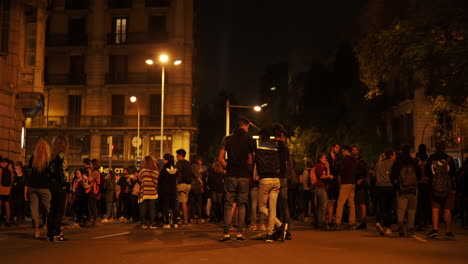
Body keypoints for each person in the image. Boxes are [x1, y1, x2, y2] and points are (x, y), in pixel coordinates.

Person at [218, 118, 255, 242]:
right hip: (243, 175)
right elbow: (250, 159)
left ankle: (226, 234)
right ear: (244, 126)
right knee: (242, 204)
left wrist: (227, 167)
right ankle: (239, 233)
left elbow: (220, 158)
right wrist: (246, 167)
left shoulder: (227, 139)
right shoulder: (249, 139)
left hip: (231, 175)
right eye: (248, 127)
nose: (248, 129)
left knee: (228, 204)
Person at [255, 127, 285, 242]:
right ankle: (269, 234)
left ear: (261, 136)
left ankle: (280, 225)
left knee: (262, 207)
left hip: (265, 179)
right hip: (276, 179)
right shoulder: (276, 145)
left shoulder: (258, 145)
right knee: (273, 208)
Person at [426, 141, 457, 238]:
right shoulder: (449, 159)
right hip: (448, 188)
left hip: (435, 187)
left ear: (435, 147)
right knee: (447, 209)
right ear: (444, 148)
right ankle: (448, 231)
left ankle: (435, 229)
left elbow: (428, 173)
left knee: (435, 209)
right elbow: (453, 173)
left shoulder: (431, 159)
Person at [391, 145, 420, 237]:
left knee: (401, 210)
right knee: (412, 210)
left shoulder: (398, 162)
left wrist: (396, 186)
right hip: (413, 190)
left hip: (402, 190)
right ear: (410, 151)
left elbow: (393, 176)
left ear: (402, 151)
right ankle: (410, 228)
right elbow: (418, 176)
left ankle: (401, 227)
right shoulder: (414, 162)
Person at [26, 138, 52, 238]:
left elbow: (29, 172)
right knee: (49, 208)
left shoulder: (33, 158)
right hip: (44, 186)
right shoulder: (48, 159)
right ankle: (50, 227)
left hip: (32, 186)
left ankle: (36, 230)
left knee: (34, 209)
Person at [47, 135, 70, 242]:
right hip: (60, 185)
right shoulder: (62, 156)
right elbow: (64, 171)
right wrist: (66, 184)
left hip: (52, 184)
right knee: (59, 210)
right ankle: (57, 233)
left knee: (53, 209)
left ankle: (50, 233)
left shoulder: (51, 156)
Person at [272, 123, 292, 238]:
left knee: (273, 204)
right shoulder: (285, 147)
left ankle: (277, 227)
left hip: (274, 176)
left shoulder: (272, 146)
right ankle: (286, 230)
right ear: (282, 134)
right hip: (283, 177)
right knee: (284, 204)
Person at [334, 145, 357, 228]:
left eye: (343, 151)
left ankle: (337, 221)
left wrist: (340, 183)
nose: (342, 153)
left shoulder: (344, 160)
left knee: (340, 203)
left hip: (345, 183)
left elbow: (340, 171)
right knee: (351, 204)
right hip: (352, 183)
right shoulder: (354, 160)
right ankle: (352, 221)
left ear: (345, 151)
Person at [374, 150, 396, 236]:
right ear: (390, 155)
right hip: (389, 187)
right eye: (394, 155)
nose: (395, 156)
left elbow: (374, 175)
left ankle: (378, 221)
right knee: (388, 208)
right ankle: (388, 227)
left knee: (380, 205)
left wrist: (380, 159)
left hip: (379, 187)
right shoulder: (392, 164)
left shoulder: (378, 164)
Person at [311, 153, 335, 229]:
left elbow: (326, 176)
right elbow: (321, 176)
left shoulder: (323, 167)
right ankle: (320, 223)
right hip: (319, 187)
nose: (326, 159)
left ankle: (319, 222)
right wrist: (329, 176)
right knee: (322, 205)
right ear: (320, 159)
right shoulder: (319, 166)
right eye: (324, 158)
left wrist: (328, 168)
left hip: (322, 187)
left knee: (321, 205)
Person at [137, 156, 159, 229]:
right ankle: (152, 223)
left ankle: (143, 223)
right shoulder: (155, 171)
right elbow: (156, 182)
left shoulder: (143, 171)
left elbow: (139, 180)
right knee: (152, 209)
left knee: (143, 209)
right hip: (153, 192)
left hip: (144, 192)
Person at [159, 153, 178, 228]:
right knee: (174, 206)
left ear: (166, 160)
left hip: (165, 190)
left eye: (164, 159)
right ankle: (175, 222)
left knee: (166, 206)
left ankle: (167, 223)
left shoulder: (164, 168)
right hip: (173, 189)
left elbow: (160, 179)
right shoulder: (175, 168)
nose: (163, 160)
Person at [352, 145, 369, 229]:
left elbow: (365, 170)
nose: (355, 151)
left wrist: (361, 179)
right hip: (353, 183)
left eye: (356, 150)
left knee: (362, 202)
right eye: (353, 150)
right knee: (354, 203)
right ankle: (355, 221)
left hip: (361, 184)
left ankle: (363, 221)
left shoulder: (361, 160)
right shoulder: (351, 160)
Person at [175, 149, 192, 225]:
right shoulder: (188, 163)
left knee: (182, 202)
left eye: (177, 155)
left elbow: (177, 173)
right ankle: (184, 218)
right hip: (188, 185)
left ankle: (185, 220)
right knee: (185, 202)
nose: (176, 156)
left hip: (181, 184)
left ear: (179, 155)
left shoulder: (179, 163)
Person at [190, 156, 205, 223]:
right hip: (196, 185)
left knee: (192, 203)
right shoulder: (196, 166)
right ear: (198, 160)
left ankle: (192, 218)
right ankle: (199, 218)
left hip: (192, 186)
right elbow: (196, 175)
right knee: (199, 202)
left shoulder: (191, 166)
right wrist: (201, 182)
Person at [0, 157, 13, 226]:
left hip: (0, 190)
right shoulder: (10, 171)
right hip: (7, 191)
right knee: (7, 205)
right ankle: (8, 220)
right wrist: (9, 190)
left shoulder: (0, 170)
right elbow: (12, 181)